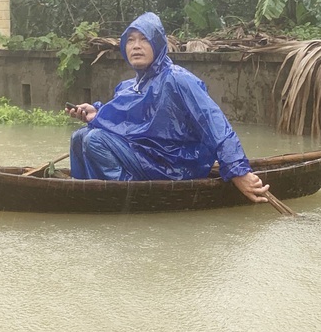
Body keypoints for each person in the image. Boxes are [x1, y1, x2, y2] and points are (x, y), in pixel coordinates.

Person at [65, 12, 270, 203]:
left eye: (144, 39)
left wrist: (237, 170)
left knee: (94, 139)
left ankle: (126, 198)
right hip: (147, 156)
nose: (136, 46)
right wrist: (97, 113)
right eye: (130, 40)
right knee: (80, 137)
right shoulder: (129, 86)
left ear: (158, 43)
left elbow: (215, 123)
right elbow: (126, 121)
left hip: (174, 165)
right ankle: (89, 193)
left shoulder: (178, 79)